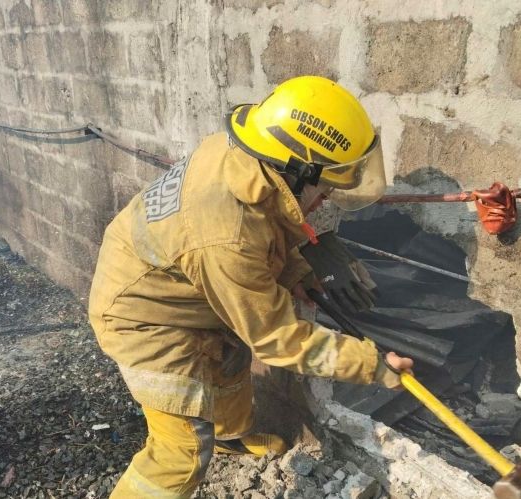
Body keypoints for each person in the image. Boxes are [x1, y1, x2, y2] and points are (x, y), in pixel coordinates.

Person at [88, 75, 414, 498]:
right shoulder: (226, 235)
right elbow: (277, 339)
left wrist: (297, 268)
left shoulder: (245, 155)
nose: (329, 197)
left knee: (226, 357)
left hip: (172, 280)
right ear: (295, 171)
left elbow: (264, 223)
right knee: (181, 452)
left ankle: (228, 437)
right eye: (327, 184)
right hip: (141, 318)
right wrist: (370, 364)